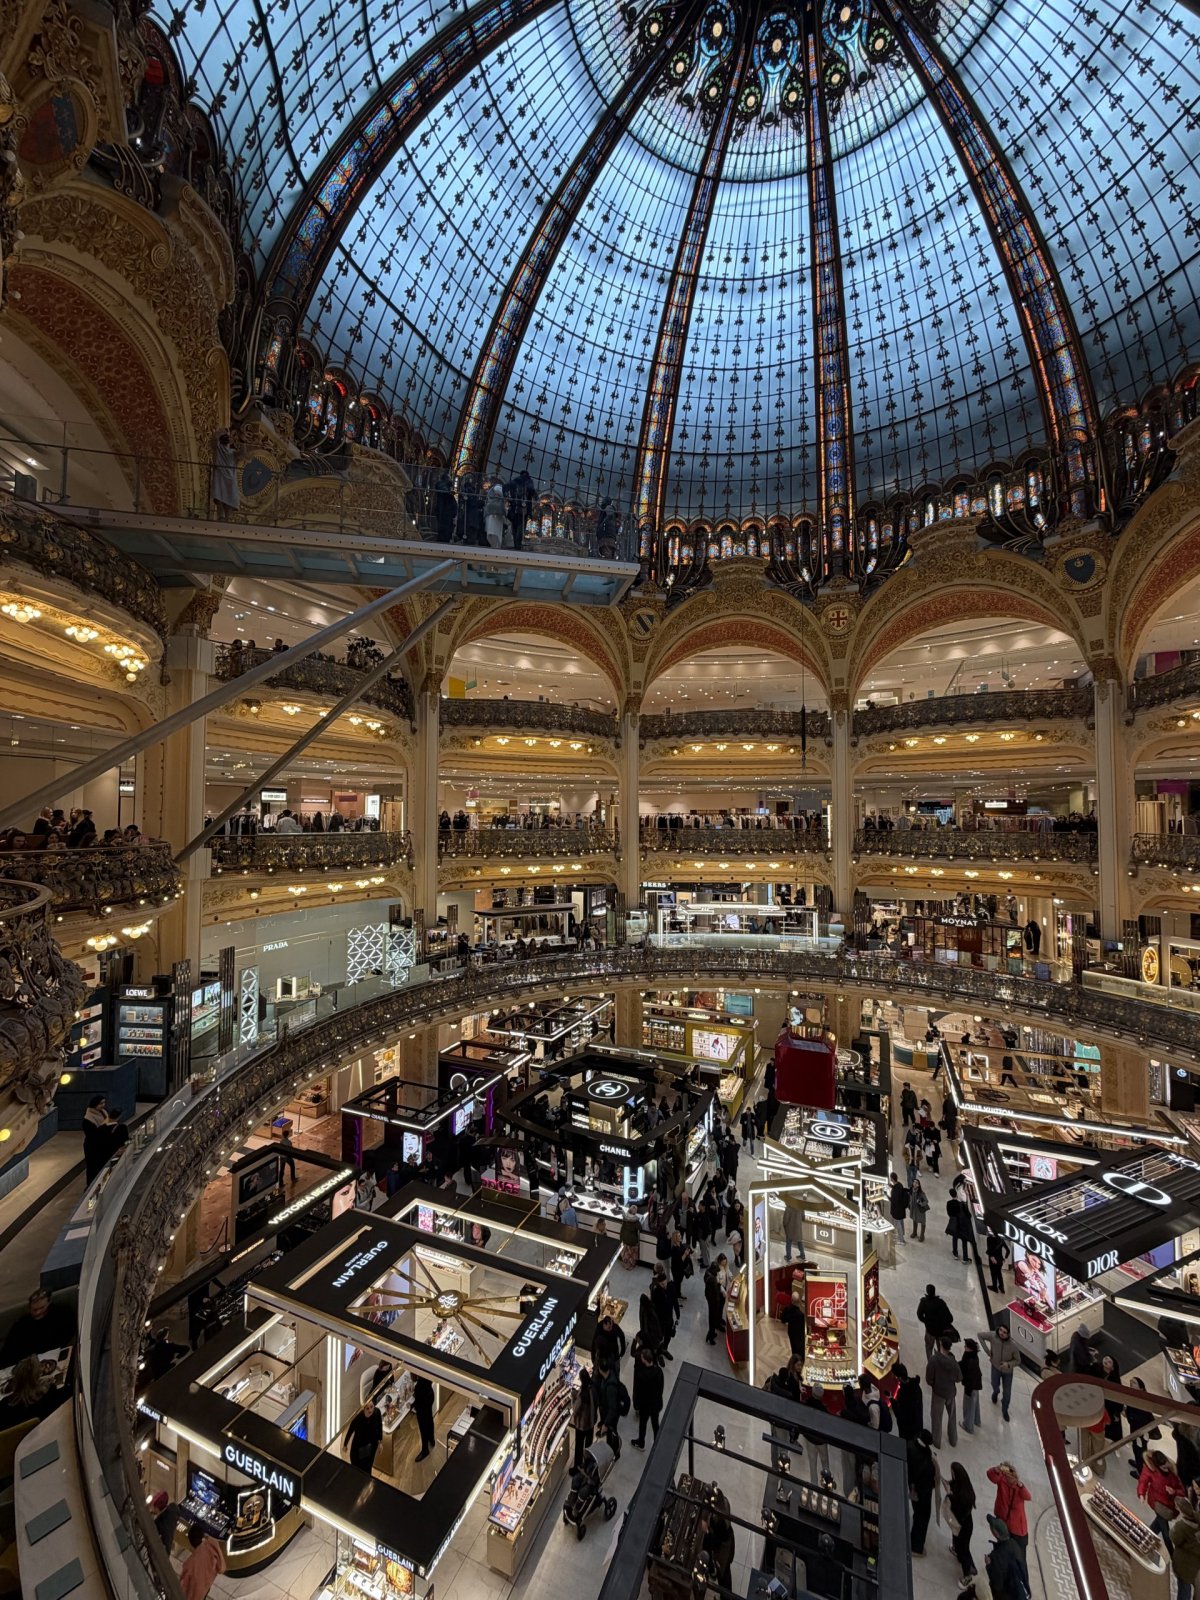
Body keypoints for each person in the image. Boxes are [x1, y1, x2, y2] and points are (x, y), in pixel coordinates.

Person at [1, 1287, 75, 1361]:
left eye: (42, 1308)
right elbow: (8, 1351)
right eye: (35, 1310)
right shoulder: (21, 1326)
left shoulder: (62, 1314)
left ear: (48, 1303)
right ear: (29, 1308)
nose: (38, 1312)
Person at [986, 1461, 1031, 1573]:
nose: (1010, 1478)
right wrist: (997, 1469)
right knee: (1003, 1546)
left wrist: (1020, 1484)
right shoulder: (1002, 1480)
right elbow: (990, 1475)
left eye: (1012, 1475)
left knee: (1019, 1556)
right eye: (1008, 1474)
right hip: (1004, 1521)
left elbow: (1028, 1496)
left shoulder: (1019, 1487)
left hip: (1017, 1529)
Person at [1138, 1449, 1186, 1546]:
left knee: (1156, 1526)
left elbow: (1182, 1490)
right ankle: (1172, 1555)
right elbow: (1143, 1481)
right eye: (1163, 1468)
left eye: (1166, 1467)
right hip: (1158, 1504)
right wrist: (1141, 1494)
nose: (1166, 1470)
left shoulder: (1172, 1472)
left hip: (1169, 1506)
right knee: (1166, 1534)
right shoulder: (1150, 1470)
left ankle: (1143, 1540)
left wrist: (1174, 1492)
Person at [926, 1333, 962, 1449]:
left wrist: (934, 1384)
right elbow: (959, 1378)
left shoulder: (934, 1360)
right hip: (950, 1392)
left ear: (940, 1344)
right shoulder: (953, 1362)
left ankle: (936, 1441)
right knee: (952, 1416)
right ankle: (953, 1439)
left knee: (936, 1417)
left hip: (938, 1393)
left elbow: (929, 1378)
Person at [984, 1515, 1029, 1600]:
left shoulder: (997, 1556)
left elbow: (997, 1585)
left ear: (995, 1533)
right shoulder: (1014, 1544)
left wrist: (989, 1565)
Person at [908, 1430, 938, 1555]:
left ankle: (914, 1539)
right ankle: (916, 1546)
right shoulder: (925, 1458)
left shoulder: (910, 1445)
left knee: (918, 1514)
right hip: (922, 1491)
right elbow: (927, 1477)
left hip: (913, 1486)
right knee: (923, 1517)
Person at [947, 1461, 978, 1580]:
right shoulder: (961, 1485)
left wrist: (950, 1496)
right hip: (959, 1522)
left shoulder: (965, 1496)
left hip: (964, 1525)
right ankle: (956, 1550)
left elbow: (960, 1512)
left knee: (964, 1548)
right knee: (957, 1541)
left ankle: (968, 1573)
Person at [181, 1523, 227, 1599]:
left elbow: (182, 1588)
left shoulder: (189, 1564)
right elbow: (222, 1568)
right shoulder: (212, 1546)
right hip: (206, 1588)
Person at [981, 1325, 1017, 1421]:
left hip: (1008, 1372)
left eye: (1004, 1332)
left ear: (1008, 1334)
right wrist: (987, 1351)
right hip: (995, 1367)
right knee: (994, 1384)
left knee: (1007, 1393)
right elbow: (980, 1335)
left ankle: (1005, 1410)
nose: (1001, 1333)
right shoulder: (993, 1336)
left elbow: (1018, 1360)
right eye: (1001, 1330)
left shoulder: (1013, 1345)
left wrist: (1008, 1364)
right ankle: (995, 1392)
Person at [632, 1343, 664, 1448]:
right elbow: (661, 1388)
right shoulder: (659, 1371)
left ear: (645, 1360)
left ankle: (641, 1442)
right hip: (656, 1404)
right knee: (655, 1425)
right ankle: (657, 1444)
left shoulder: (641, 1375)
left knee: (643, 1424)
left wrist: (637, 1404)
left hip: (645, 1406)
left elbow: (638, 1391)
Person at [344, 1397, 384, 1472]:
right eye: (367, 1408)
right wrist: (345, 1444)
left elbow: (379, 1426)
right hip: (359, 1447)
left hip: (371, 1445)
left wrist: (380, 1442)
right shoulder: (357, 1419)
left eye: (372, 1407)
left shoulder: (377, 1412)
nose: (370, 1410)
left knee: (368, 1468)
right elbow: (350, 1431)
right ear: (363, 1409)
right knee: (356, 1468)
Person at [1171, 1497, 1200, 1600]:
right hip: (1195, 1564)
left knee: (1184, 1589)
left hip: (1184, 1564)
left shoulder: (1182, 1527)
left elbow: (1174, 1538)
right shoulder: (1197, 1517)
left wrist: (1177, 1523)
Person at [1126, 1377, 1155, 1478]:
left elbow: (1140, 1417)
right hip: (1136, 1428)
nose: (1131, 1384)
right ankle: (1139, 1464)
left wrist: (1131, 1417)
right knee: (1138, 1449)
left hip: (1141, 1431)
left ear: (1141, 1388)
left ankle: (1141, 1471)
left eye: (1134, 1383)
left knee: (1140, 1450)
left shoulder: (1142, 1401)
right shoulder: (1134, 1396)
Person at [917, 1284, 954, 1360]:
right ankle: (940, 1363)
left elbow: (919, 1314)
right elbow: (950, 1318)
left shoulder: (924, 1302)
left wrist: (926, 1321)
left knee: (929, 1348)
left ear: (927, 1292)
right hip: (940, 1332)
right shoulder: (941, 1302)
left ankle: (931, 1364)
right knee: (941, 1349)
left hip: (930, 1331)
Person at [210, 428, 239, 518]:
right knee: (220, 501)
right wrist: (224, 431)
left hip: (228, 479)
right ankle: (222, 518)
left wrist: (242, 441)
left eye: (229, 438)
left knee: (228, 503)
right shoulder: (218, 449)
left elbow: (243, 454)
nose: (228, 439)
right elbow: (214, 438)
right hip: (221, 477)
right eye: (226, 437)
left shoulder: (232, 452)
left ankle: (226, 519)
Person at [571, 1367, 596, 1469]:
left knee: (579, 1446)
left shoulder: (583, 1394)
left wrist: (573, 1398)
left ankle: (577, 1467)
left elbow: (575, 1409)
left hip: (582, 1424)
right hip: (591, 1421)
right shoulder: (593, 1388)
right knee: (588, 1445)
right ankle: (588, 1464)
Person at [893, 1364, 925, 1441]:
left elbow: (900, 1413)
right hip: (917, 1424)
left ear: (899, 1378)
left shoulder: (903, 1393)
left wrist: (892, 1400)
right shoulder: (916, 1386)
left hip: (907, 1429)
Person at [960, 1338, 984, 1435]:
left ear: (970, 1349)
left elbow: (970, 1376)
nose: (964, 1347)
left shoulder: (971, 1360)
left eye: (966, 1346)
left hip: (971, 1386)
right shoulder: (972, 1356)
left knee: (968, 1406)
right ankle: (976, 1421)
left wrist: (968, 1390)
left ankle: (968, 1426)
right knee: (975, 1404)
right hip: (976, 1384)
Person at [412, 1375, 437, 1461]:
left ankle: (425, 1450)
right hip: (429, 1395)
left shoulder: (419, 1382)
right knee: (429, 1419)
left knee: (423, 1426)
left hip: (422, 1401)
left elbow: (414, 1379)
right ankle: (431, 1439)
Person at [704, 1264, 726, 1345]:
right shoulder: (712, 1279)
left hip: (710, 1301)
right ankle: (710, 1336)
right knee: (712, 1319)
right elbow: (714, 1292)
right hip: (713, 1302)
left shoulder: (708, 1275)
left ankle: (711, 1333)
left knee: (712, 1318)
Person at [889, 1173, 910, 1243]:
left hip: (897, 1210)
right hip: (901, 1209)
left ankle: (902, 1240)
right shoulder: (899, 1184)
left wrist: (887, 1196)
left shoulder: (895, 1190)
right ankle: (901, 1236)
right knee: (901, 1223)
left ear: (892, 1179)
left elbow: (894, 1200)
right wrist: (892, 1186)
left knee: (898, 1225)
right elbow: (899, 1191)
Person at [910, 1177, 930, 1242]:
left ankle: (922, 1235)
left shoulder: (921, 1193)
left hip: (920, 1210)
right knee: (914, 1220)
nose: (915, 1183)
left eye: (916, 1183)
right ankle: (914, 1232)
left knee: (922, 1222)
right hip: (914, 1209)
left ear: (918, 1185)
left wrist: (921, 1203)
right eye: (914, 1182)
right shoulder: (912, 1190)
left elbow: (926, 1201)